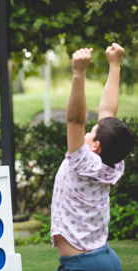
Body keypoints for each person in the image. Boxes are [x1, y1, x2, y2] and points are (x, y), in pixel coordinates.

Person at [50, 43, 137, 271]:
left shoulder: (82, 162)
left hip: (81, 265)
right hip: (106, 258)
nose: (86, 132)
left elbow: (75, 120)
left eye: (90, 133)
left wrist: (79, 73)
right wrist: (114, 64)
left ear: (95, 146)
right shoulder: (114, 162)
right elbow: (108, 112)